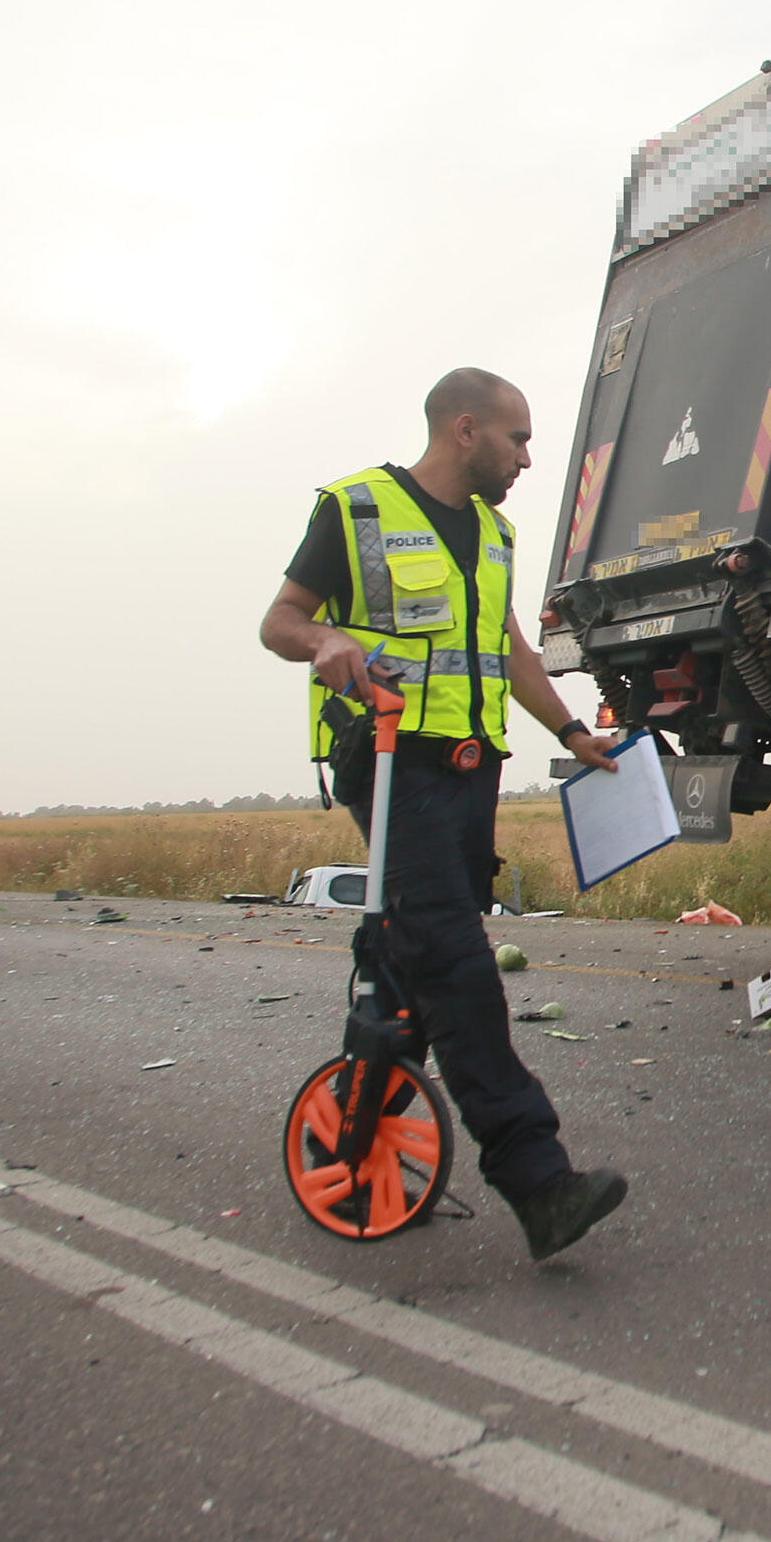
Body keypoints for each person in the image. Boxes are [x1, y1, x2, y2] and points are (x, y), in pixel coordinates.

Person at [260, 367, 631, 1264]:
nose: (528, 458)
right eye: (518, 439)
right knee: (458, 964)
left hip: (468, 771)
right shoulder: (355, 510)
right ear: (465, 430)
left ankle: (357, 1132)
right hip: (390, 766)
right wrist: (327, 642)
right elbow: (280, 622)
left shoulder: (494, 533)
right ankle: (537, 1180)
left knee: (411, 954)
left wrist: (574, 731)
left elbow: (504, 651)